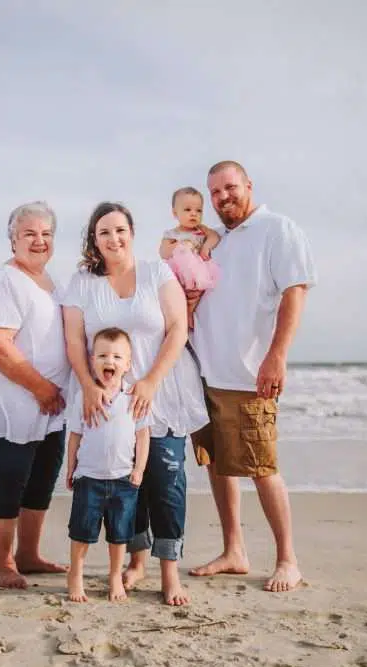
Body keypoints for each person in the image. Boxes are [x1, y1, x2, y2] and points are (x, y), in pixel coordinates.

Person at [62, 201, 208, 607]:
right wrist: (90, 386)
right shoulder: (82, 281)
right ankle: (136, 560)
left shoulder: (156, 272)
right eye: (104, 232)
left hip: (159, 391)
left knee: (165, 480)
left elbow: (178, 328)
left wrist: (149, 381)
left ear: (132, 232)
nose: (113, 239)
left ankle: (169, 572)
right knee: (123, 482)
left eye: (120, 230)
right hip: (104, 398)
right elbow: (74, 340)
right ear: (94, 239)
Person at [188, 160, 317, 592]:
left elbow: (294, 291)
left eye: (230, 188)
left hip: (249, 374)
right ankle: (234, 551)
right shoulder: (217, 242)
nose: (223, 198)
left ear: (248, 185)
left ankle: (288, 559)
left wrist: (277, 355)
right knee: (219, 465)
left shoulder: (277, 230)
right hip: (206, 372)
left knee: (261, 465)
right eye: (216, 193)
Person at [0, 201, 70, 590]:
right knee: (8, 479)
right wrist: (40, 386)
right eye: (29, 234)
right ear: (13, 240)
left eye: (46, 234)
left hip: (50, 406)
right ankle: (1, 562)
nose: (38, 241)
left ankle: (29, 554)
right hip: (13, 401)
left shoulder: (52, 282)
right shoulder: (5, 280)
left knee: (42, 479)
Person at [65, 327, 150, 603]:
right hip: (88, 477)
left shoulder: (132, 398)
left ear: (127, 364)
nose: (109, 361)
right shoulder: (83, 397)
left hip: (123, 479)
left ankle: (115, 575)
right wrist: (70, 468)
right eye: (102, 355)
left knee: (119, 534)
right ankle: (75, 574)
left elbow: (142, 436)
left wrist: (139, 469)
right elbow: (75, 436)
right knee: (82, 531)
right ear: (92, 360)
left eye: (116, 357)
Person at [157, 187, 221, 328]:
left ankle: (189, 314)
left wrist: (206, 247)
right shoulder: (172, 233)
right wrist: (180, 247)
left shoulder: (201, 229)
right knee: (178, 296)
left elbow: (214, 236)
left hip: (197, 271)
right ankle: (177, 318)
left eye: (198, 210)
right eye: (187, 210)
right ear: (175, 213)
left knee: (196, 295)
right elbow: (163, 252)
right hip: (178, 271)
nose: (194, 214)